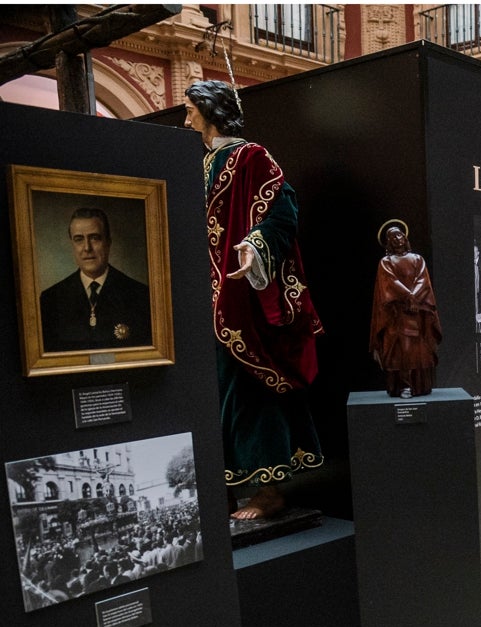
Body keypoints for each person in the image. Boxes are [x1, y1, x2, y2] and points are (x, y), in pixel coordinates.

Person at [184, 79, 324, 520]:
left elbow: (284, 209)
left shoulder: (251, 156)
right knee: (208, 394)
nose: (185, 119)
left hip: (242, 294)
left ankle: (270, 488)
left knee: (249, 389)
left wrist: (255, 244)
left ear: (209, 111)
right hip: (201, 295)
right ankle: (222, 485)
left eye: (190, 110)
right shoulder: (195, 163)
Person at [40, 207, 151, 352]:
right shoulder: (51, 299)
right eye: (79, 239)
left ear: (108, 242)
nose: (87, 247)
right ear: (72, 245)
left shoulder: (140, 295)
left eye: (94, 238)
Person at [370, 219, 442, 398]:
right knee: (402, 351)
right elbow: (390, 283)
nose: (397, 238)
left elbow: (423, 281)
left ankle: (420, 385)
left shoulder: (417, 259)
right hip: (397, 314)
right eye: (392, 236)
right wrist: (408, 296)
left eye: (399, 234)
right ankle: (404, 386)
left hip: (417, 311)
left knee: (419, 350)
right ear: (388, 242)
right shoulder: (386, 262)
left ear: (405, 236)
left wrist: (414, 297)